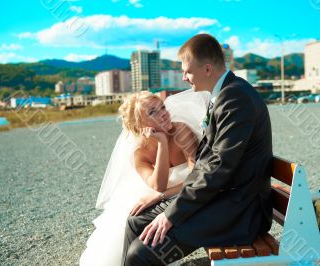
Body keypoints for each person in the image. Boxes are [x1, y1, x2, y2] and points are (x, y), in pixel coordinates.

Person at [122, 34, 273, 266]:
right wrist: (168, 198)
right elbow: (206, 164)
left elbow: (218, 168)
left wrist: (171, 214)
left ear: (208, 69)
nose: (184, 78)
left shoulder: (235, 98)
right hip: (220, 197)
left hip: (239, 210)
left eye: (187, 72)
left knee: (139, 254)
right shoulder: (225, 94)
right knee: (136, 222)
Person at [79, 90, 210, 266]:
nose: (163, 113)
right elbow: (158, 184)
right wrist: (162, 143)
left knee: (138, 224)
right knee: (130, 221)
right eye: (152, 112)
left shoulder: (181, 130)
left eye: (162, 107)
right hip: (167, 194)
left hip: (189, 193)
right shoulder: (140, 153)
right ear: (140, 124)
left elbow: (197, 177)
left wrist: (162, 195)